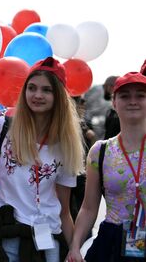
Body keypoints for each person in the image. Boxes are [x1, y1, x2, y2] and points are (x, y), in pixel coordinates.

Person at [0, 57, 85, 262]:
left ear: (59, 97)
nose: (37, 95)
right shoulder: (3, 127)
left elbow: (64, 210)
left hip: (47, 242)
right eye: (32, 88)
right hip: (5, 237)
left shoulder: (67, 145)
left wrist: (74, 249)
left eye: (46, 90)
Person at [66, 71, 146, 262]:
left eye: (141, 95)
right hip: (111, 242)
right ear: (114, 103)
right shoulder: (100, 151)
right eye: (125, 96)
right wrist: (75, 246)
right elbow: (88, 207)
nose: (132, 101)